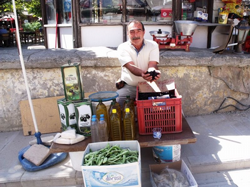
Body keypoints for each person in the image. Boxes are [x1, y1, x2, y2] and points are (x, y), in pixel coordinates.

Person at [116, 20, 161, 108]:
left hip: (149, 85)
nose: (135, 35)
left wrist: (153, 72)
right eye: (132, 32)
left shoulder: (153, 45)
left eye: (138, 31)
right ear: (128, 33)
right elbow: (130, 66)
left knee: (167, 103)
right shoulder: (122, 47)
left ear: (143, 32)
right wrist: (142, 74)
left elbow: (153, 64)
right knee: (116, 103)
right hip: (130, 87)